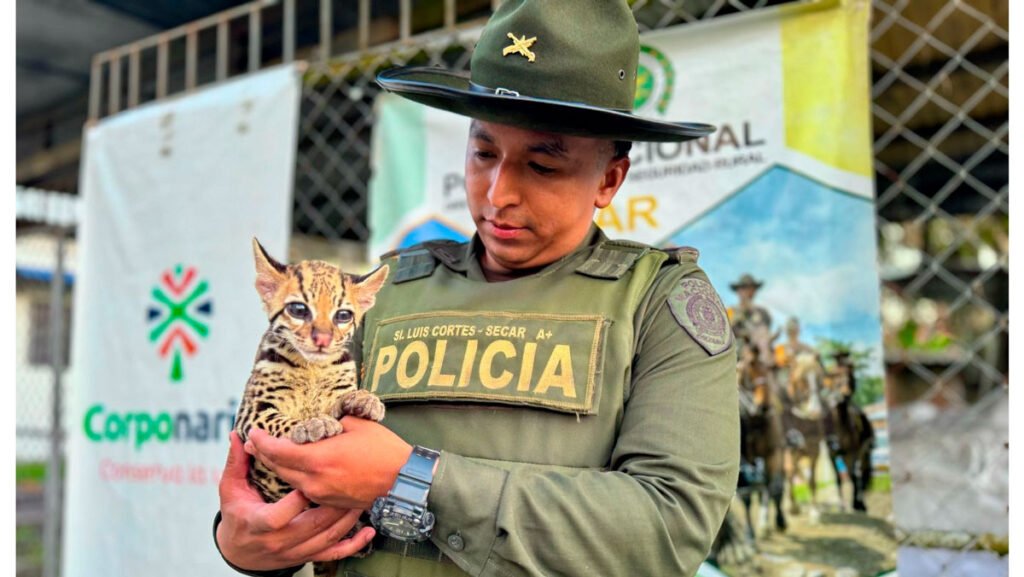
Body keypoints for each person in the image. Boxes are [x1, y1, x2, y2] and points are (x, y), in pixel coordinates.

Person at [214, 1, 740, 576]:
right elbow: (268, 474)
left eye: (542, 166)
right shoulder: (386, 292)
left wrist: (413, 477)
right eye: (484, 153)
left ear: (609, 179)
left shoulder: (658, 303)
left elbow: (670, 526)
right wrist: (243, 542)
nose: (497, 194)